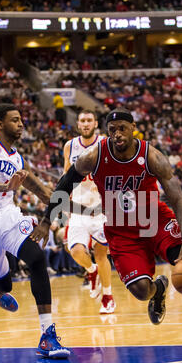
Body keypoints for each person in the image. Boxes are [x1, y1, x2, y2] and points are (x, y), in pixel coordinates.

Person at [32, 108, 182, 349]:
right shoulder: (93, 156)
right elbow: (63, 186)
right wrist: (45, 221)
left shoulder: (151, 156)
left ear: (133, 128)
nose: (117, 134)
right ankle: (158, 290)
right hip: (121, 229)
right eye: (112, 130)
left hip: (154, 220)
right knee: (140, 290)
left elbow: (177, 198)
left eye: (122, 128)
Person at [0, 103, 70, 359]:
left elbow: (44, 192)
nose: (21, 124)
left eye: (21, 120)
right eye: (15, 120)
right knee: (4, 282)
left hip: (5, 216)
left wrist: (57, 212)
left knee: (37, 258)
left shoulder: (17, 159)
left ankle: (47, 335)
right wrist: (3, 186)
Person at [63, 109, 115, 314]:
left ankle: (108, 297)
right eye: (82, 121)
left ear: (95, 124)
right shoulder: (70, 146)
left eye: (89, 121)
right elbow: (66, 173)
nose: (85, 124)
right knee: (75, 251)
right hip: (78, 208)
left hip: (101, 208)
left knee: (102, 254)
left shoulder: (105, 143)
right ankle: (91, 271)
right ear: (78, 124)